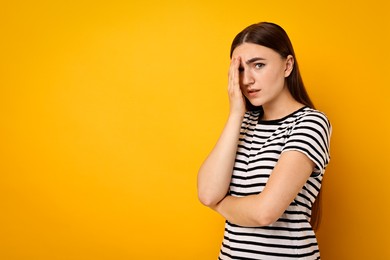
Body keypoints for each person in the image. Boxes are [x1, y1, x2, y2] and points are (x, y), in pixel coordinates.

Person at [197, 22, 331, 259]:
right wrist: (236, 113)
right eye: (239, 69)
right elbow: (207, 193)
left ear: (287, 65)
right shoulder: (243, 122)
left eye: (258, 65)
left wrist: (220, 205)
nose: (247, 79)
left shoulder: (310, 123)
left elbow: (265, 212)